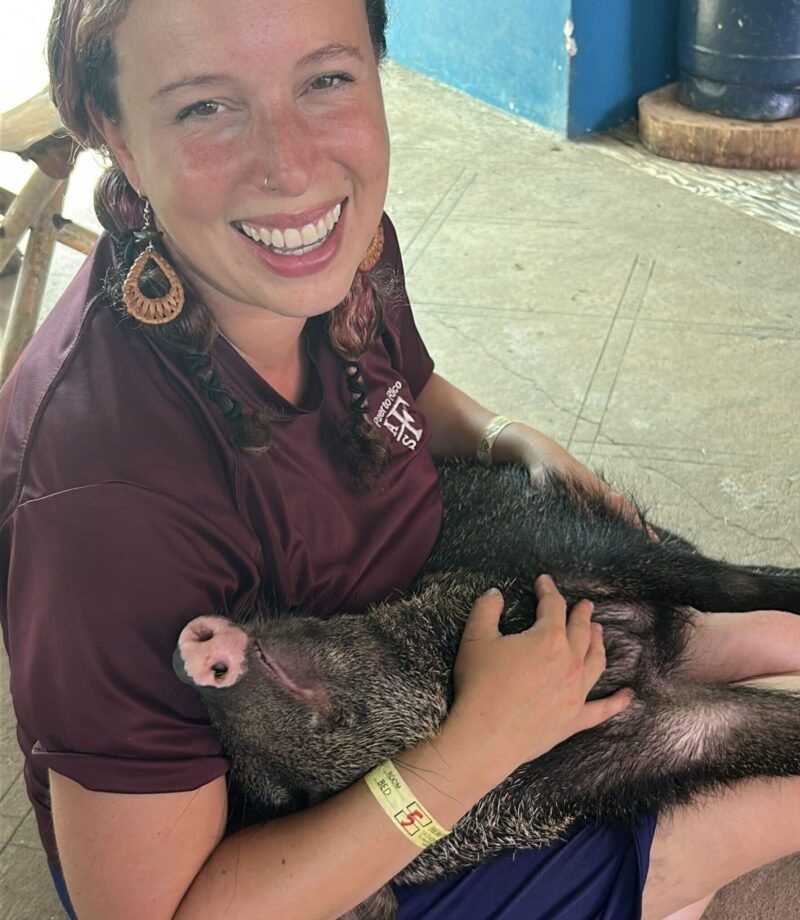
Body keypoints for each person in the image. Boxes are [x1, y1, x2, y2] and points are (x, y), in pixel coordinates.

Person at [0, 1, 799, 918]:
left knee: (673, 615)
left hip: (417, 623)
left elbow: (406, 387)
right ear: (117, 137)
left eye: (326, 79)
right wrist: (471, 755)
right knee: (711, 787)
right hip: (288, 839)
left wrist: (503, 434)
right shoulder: (102, 502)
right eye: (204, 107)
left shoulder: (336, 249)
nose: (293, 167)